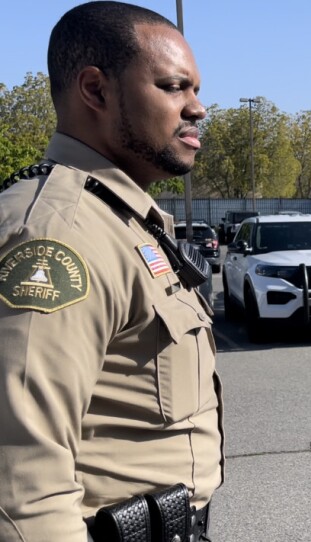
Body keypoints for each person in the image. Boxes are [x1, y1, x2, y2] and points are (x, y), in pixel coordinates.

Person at [0, 2, 222, 540]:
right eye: (174, 87)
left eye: (195, 90)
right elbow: (22, 483)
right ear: (96, 91)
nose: (197, 109)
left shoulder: (117, 217)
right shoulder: (57, 235)